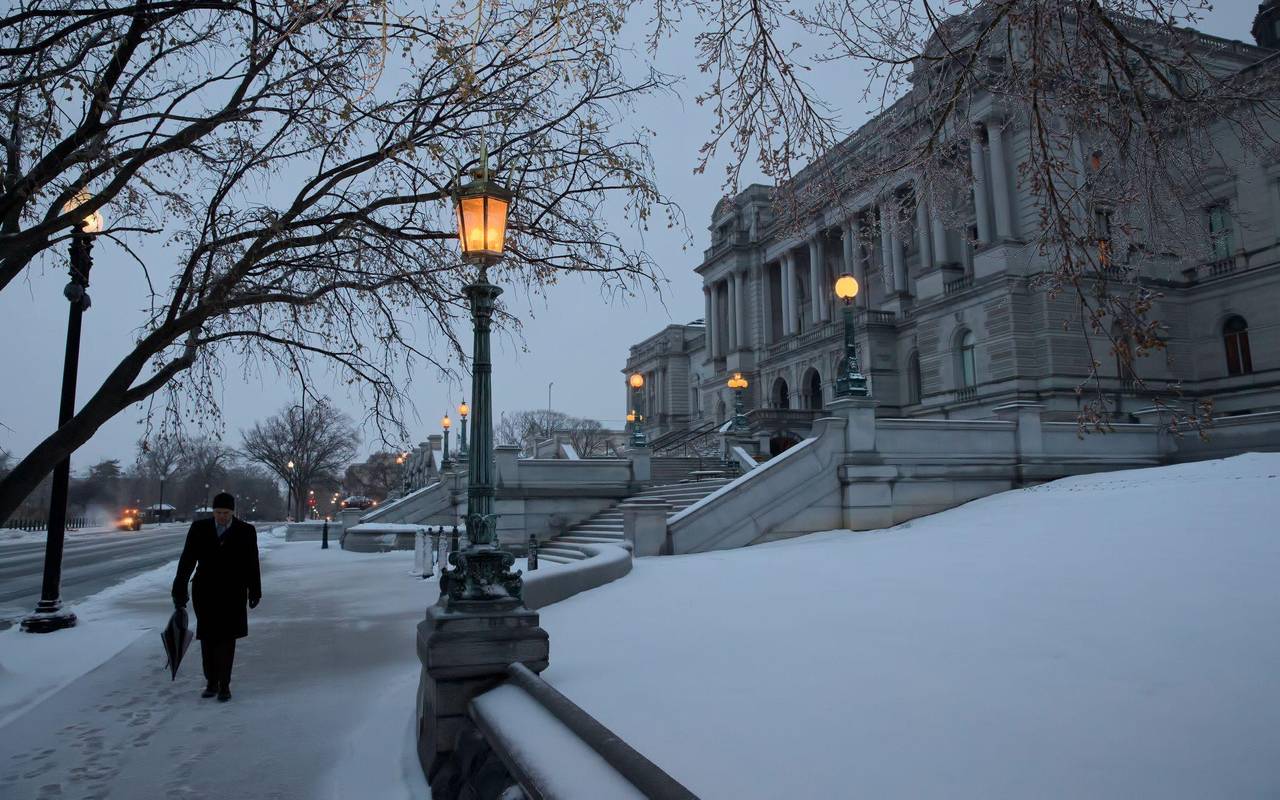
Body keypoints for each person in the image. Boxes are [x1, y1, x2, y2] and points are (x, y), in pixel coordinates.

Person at [171, 492, 262, 702]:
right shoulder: (199, 529)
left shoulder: (246, 531)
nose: (222, 516)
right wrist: (179, 590)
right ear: (213, 512)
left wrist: (255, 591)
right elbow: (187, 561)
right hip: (206, 591)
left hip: (233, 591)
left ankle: (224, 685)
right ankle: (211, 681)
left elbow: (252, 562)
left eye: (226, 513)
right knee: (208, 638)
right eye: (218, 512)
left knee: (228, 639)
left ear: (233, 512)